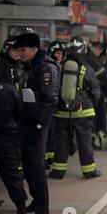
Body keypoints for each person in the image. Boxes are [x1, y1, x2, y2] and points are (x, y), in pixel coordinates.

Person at [16, 32, 60, 214]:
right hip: (26, 123)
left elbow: (50, 100)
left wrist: (40, 125)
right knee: (27, 165)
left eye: (23, 50)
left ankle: (43, 208)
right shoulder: (30, 66)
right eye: (18, 50)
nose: (20, 53)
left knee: (36, 166)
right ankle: (35, 200)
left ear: (34, 49)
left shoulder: (46, 68)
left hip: (37, 125)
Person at [49, 37, 101, 179]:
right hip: (82, 111)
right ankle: (89, 171)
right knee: (84, 141)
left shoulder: (60, 67)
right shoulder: (86, 68)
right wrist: (93, 105)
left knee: (62, 141)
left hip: (62, 112)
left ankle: (58, 171)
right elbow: (95, 91)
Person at [0, 75, 28, 214]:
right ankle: (22, 211)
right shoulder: (9, 89)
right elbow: (20, 112)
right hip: (8, 138)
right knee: (13, 176)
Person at [44, 40, 66, 168]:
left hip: (56, 107)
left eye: (61, 53)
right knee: (47, 135)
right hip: (48, 107)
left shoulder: (60, 67)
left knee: (53, 135)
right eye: (57, 53)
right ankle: (45, 159)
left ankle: (50, 158)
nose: (59, 56)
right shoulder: (48, 66)